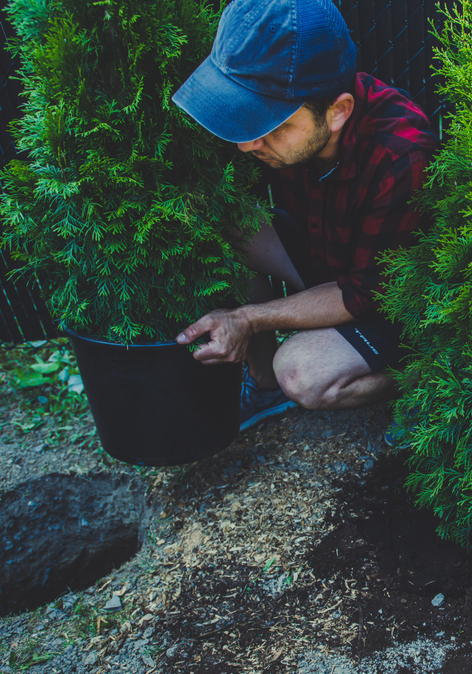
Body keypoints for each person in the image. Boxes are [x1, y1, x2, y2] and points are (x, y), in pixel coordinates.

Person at [171, 0, 439, 431]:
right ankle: (263, 388)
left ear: (338, 112)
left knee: (301, 371)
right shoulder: (292, 130)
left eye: (272, 125)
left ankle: (426, 377)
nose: (247, 144)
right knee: (228, 224)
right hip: (327, 260)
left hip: (391, 305)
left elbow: (364, 294)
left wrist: (246, 318)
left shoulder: (402, 157)